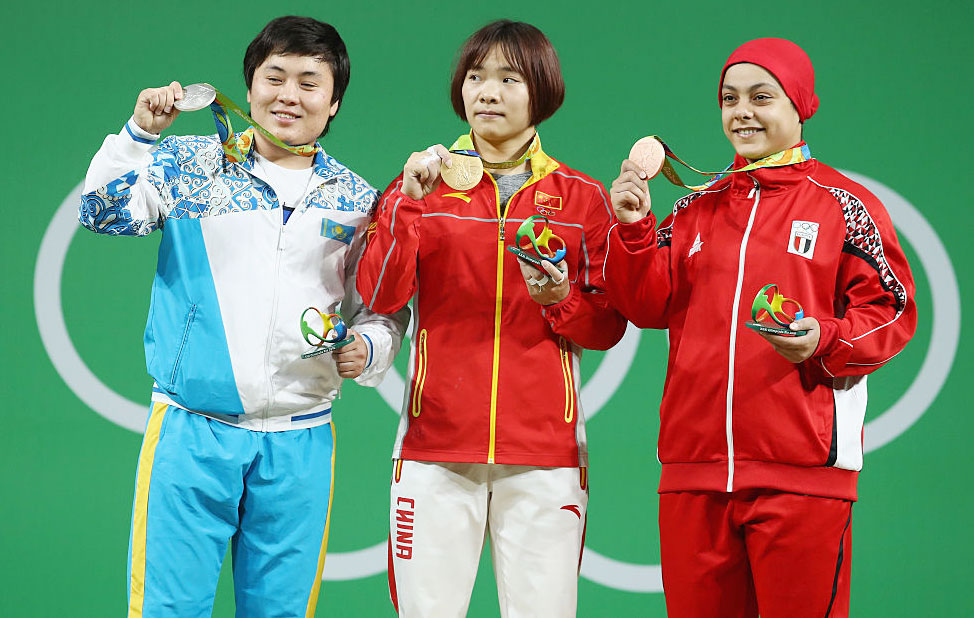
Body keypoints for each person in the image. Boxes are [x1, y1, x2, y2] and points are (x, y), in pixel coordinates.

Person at [78, 15, 408, 617]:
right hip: (191, 431)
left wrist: (369, 348)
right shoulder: (188, 165)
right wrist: (137, 136)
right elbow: (100, 212)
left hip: (301, 440)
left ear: (333, 103)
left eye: (310, 83)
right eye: (274, 77)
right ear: (249, 86)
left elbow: (382, 312)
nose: (289, 95)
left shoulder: (359, 202)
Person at [603, 38, 917, 617]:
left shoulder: (844, 205)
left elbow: (892, 311)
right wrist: (632, 230)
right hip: (693, 475)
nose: (741, 111)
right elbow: (646, 306)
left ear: (799, 106)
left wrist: (821, 339)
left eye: (760, 97)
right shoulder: (697, 207)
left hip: (801, 477)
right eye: (729, 98)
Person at [356, 19, 626, 618]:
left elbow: (608, 327)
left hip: (546, 455)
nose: (487, 92)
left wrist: (559, 298)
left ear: (542, 92)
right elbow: (378, 290)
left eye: (508, 78)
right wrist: (405, 206)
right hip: (434, 448)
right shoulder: (417, 185)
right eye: (476, 77)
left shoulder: (581, 198)